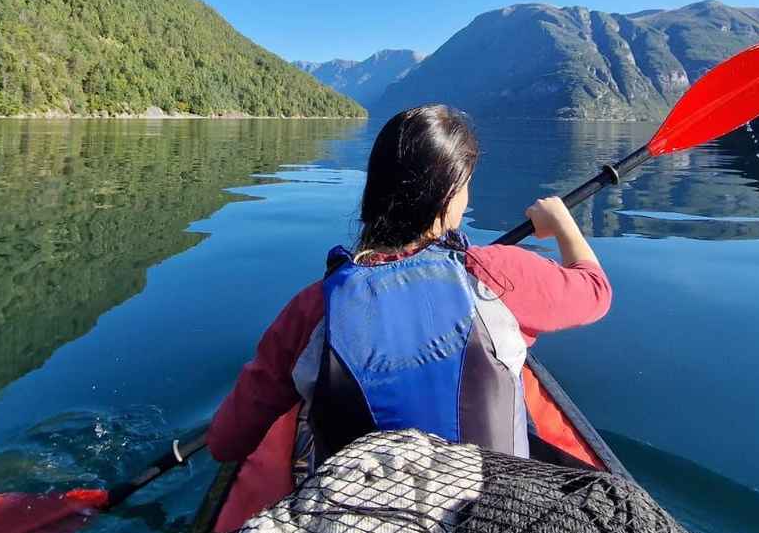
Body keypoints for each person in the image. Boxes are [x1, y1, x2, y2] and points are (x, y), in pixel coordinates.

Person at [206, 105, 612, 466]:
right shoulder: (497, 273)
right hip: (493, 511)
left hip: (356, 521)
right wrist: (564, 224)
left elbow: (225, 444)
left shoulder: (312, 309)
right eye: (466, 186)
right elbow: (596, 290)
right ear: (449, 195)